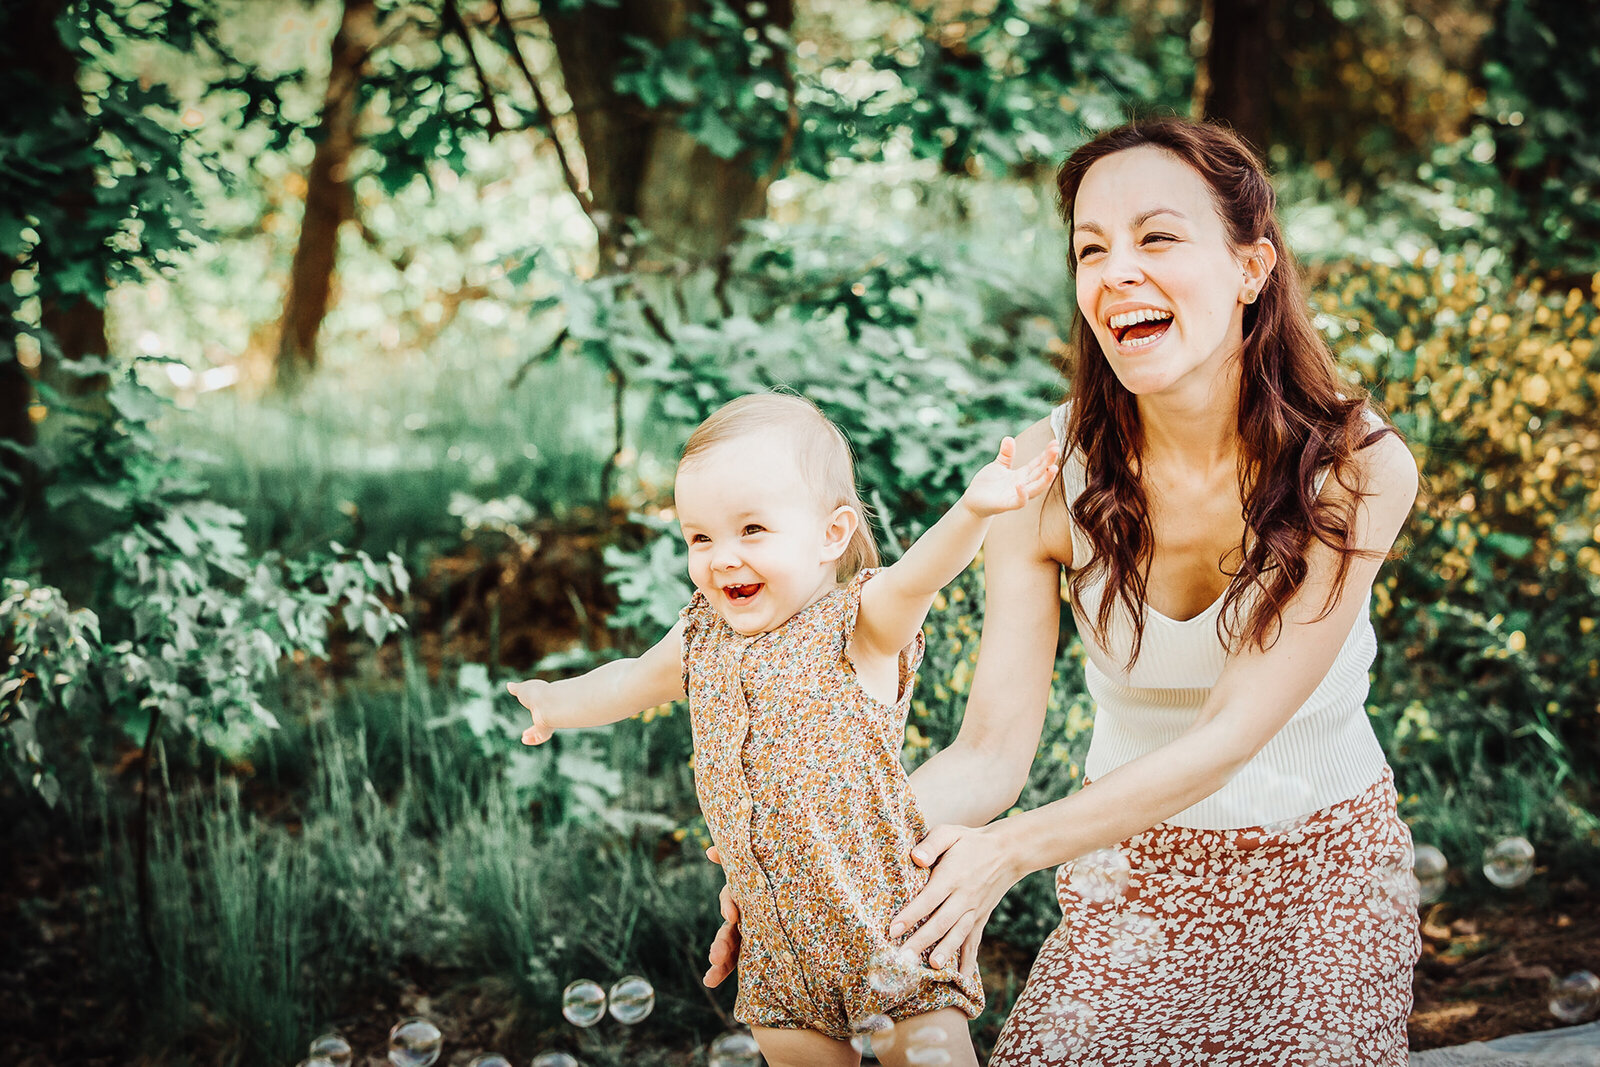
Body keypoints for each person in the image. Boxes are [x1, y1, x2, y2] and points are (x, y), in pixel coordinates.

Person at [704, 118, 1424, 1065]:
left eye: (1156, 237)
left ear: (1253, 266)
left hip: (1325, 874)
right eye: (1091, 249)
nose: (1115, 270)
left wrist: (1008, 850)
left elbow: (1230, 734)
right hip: (1133, 882)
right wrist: (807, 853)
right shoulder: (1045, 477)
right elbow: (992, 753)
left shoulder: (1356, 470)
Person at [507, 391, 1060, 1067]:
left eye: (752, 530)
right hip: (778, 954)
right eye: (700, 537)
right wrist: (556, 702)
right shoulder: (701, 634)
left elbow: (921, 577)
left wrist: (974, 510)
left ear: (832, 535)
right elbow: (626, 681)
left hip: (888, 931)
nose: (722, 557)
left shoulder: (859, 626)